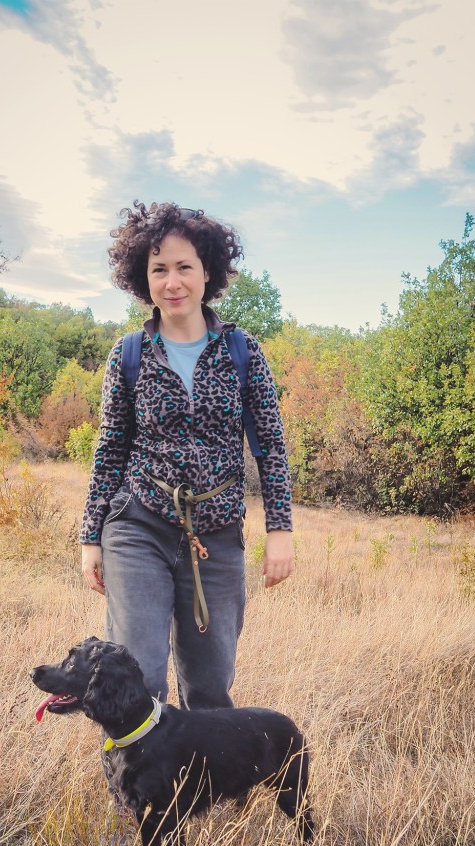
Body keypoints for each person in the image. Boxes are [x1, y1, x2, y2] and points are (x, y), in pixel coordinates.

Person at [79, 201, 294, 711]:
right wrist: (90, 537)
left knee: (210, 688)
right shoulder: (129, 354)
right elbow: (110, 448)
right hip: (139, 525)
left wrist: (280, 530)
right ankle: (134, 769)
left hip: (215, 534)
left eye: (184, 267)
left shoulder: (242, 351)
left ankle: (202, 767)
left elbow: (270, 445)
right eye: (159, 269)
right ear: (143, 278)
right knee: (137, 683)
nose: (172, 282)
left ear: (207, 272)